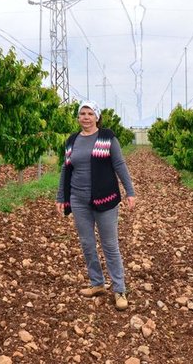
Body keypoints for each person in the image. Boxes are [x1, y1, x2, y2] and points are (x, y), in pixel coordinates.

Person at [55, 100, 136, 311]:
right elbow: (66, 169)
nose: (86, 117)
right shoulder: (72, 140)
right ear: (78, 117)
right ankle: (97, 283)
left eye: (90, 113)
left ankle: (119, 289)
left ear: (97, 117)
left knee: (110, 245)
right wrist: (61, 197)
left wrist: (130, 192)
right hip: (78, 199)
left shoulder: (107, 137)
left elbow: (119, 164)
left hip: (105, 198)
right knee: (87, 243)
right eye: (82, 113)